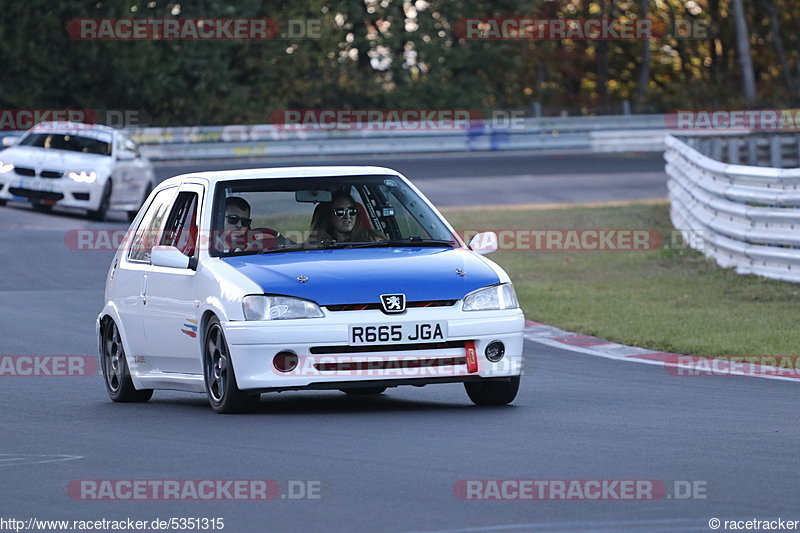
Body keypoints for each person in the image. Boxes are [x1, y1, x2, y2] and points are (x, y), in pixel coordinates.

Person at [309, 191, 385, 244]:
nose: (347, 216)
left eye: (352, 211)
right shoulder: (318, 247)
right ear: (329, 216)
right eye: (340, 212)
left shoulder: (375, 240)